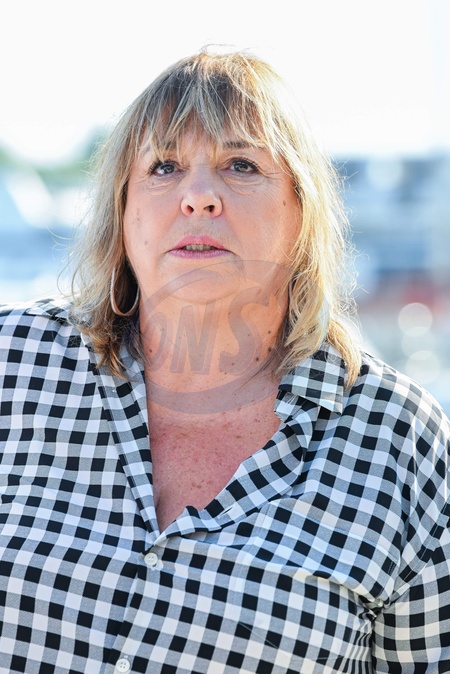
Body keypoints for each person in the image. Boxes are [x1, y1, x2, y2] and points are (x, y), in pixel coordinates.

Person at [0, 49, 449, 674]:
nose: (199, 197)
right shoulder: (14, 360)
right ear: (123, 211)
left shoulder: (397, 437)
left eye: (241, 165)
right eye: (164, 166)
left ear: (301, 209)